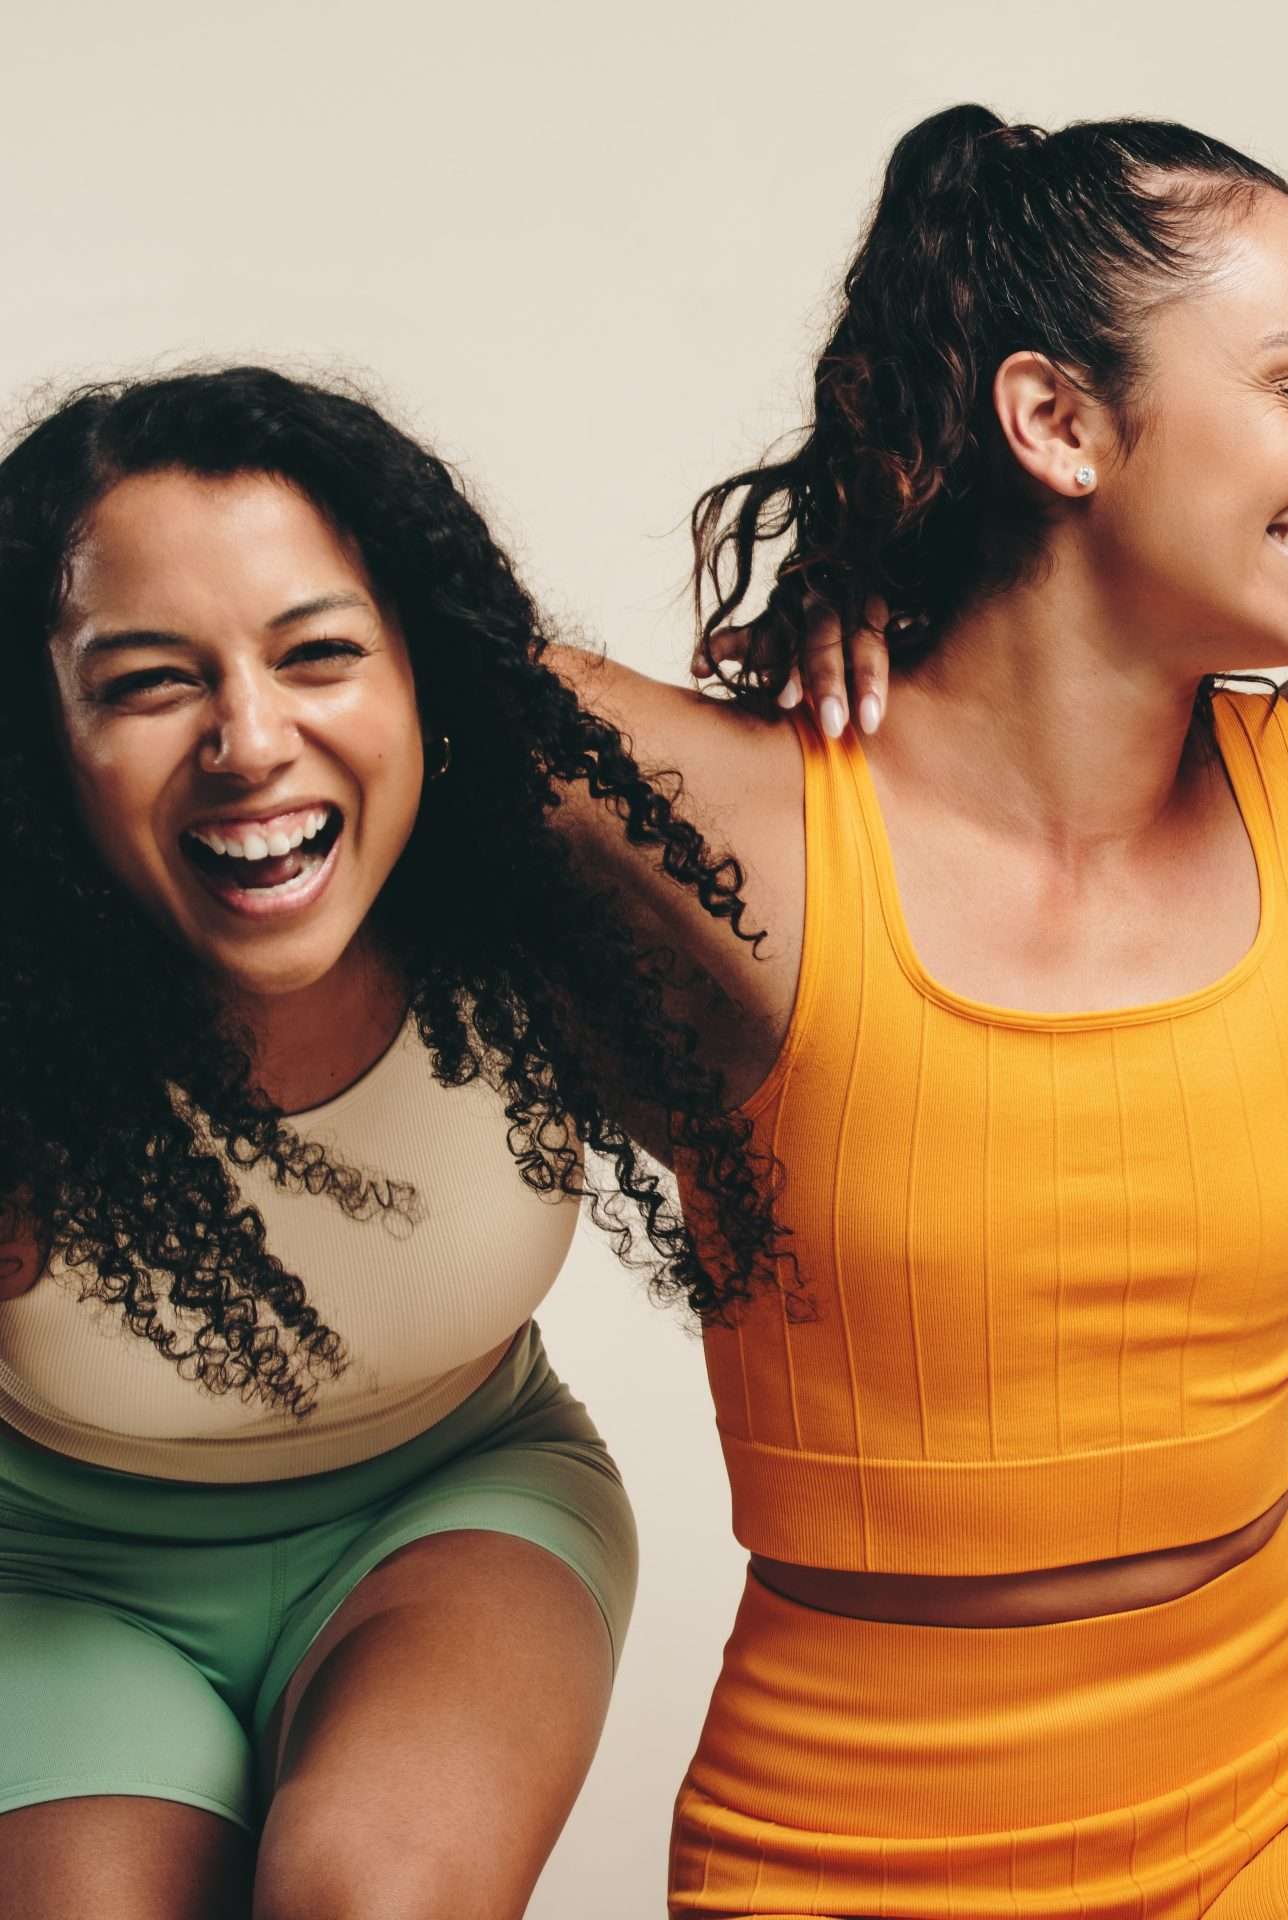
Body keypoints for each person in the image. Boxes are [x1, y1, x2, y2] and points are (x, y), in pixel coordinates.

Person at [562, 103, 1288, 1919]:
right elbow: (341, 657)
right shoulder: (742, 815)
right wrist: (855, 572)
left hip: (1280, 1790)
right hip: (840, 1839)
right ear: (1058, 422)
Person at [0, 366, 781, 1920]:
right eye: (148, 681)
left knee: (368, 1893)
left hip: (454, 1507)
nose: (248, 740)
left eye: (319, 654)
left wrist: (876, 655)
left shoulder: (542, 901)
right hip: (52, 1575)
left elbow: (890, 942)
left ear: (429, 676)